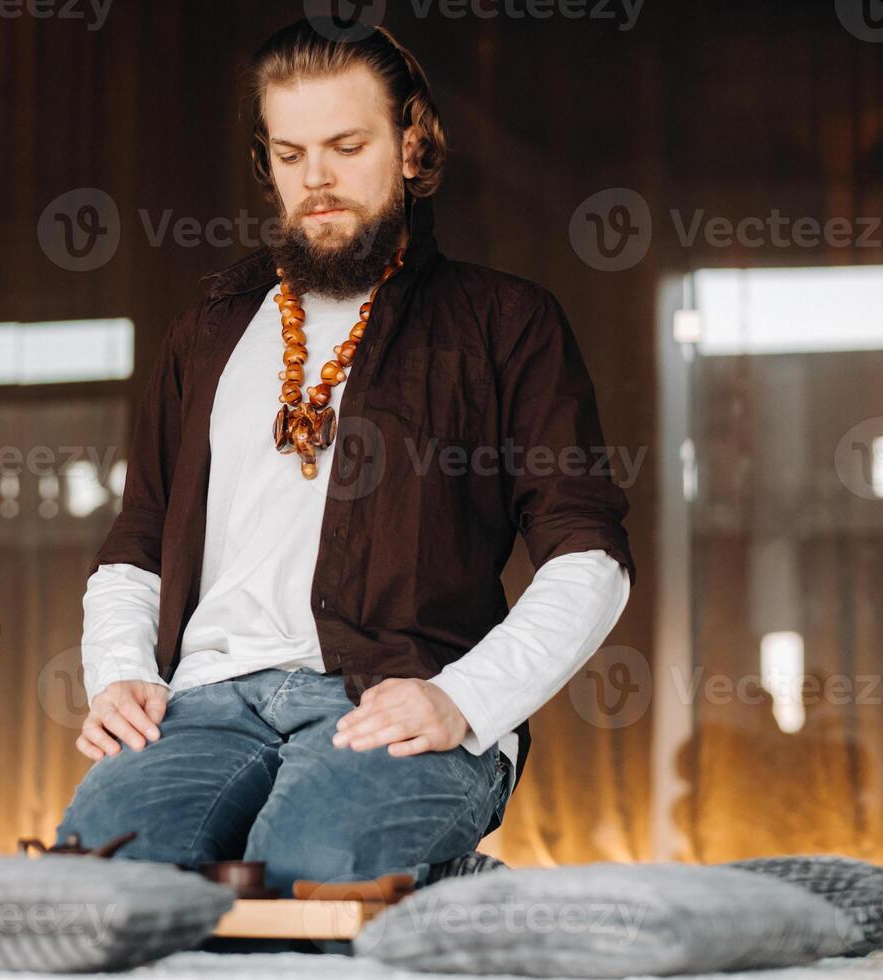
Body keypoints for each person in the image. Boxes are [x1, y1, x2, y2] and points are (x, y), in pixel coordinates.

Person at [56, 19, 635, 897]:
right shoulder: (208, 329)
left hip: (395, 701)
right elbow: (136, 539)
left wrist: (466, 700)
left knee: (308, 876)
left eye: (346, 145)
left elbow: (588, 556)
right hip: (206, 704)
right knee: (100, 875)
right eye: (290, 155)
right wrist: (122, 675)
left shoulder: (506, 322)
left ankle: (421, 883)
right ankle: (414, 885)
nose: (316, 179)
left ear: (411, 145)